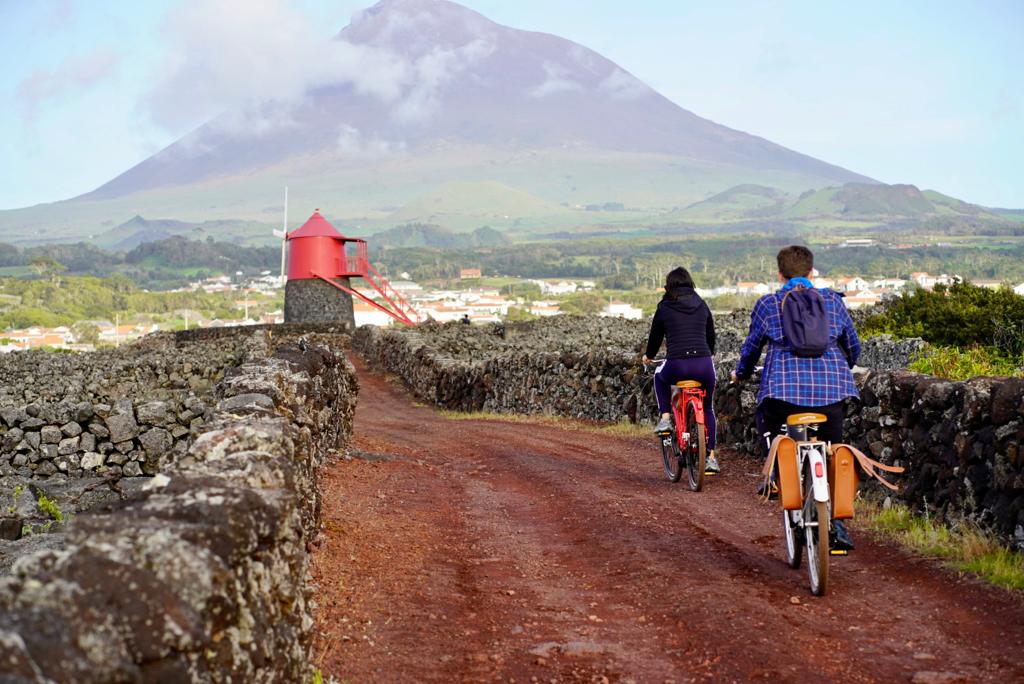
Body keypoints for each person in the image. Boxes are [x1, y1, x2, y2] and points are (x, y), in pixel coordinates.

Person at [731, 245, 860, 548]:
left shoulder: (768, 304)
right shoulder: (832, 301)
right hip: (833, 390)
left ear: (780, 274)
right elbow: (853, 346)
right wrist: (844, 367)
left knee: (766, 419)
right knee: (833, 450)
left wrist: (741, 373)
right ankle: (837, 524)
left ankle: (775, 477)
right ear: (811, 272)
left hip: (783, 392)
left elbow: (752, 348)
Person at [642, 267, 720, 474]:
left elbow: (655, 337)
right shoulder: (701, 304)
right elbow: (710, 335)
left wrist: (648, 356)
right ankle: (711, 457)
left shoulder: (665, 307)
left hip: (677, 364)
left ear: (669, 286)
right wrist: (708, 353)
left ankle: (665, 419)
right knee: (708, 408)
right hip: (704, 365)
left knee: (659, 377)